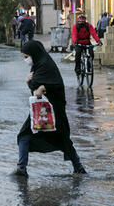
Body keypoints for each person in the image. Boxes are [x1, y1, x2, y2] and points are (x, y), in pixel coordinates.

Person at [13, 40, 87, 177]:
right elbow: (35, 90)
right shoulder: (38, 66)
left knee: (63, 139)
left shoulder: (47, 66)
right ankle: (21, 168)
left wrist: (35, 84)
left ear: (34, 54)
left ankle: (78, 167)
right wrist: (31, 83)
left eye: (26, 56)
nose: (26, 60)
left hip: (54, 112)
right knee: (24, 135)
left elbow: (52, 85)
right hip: (41, 111)